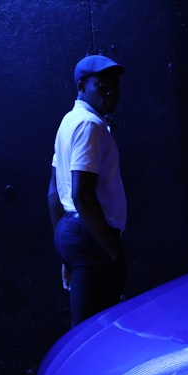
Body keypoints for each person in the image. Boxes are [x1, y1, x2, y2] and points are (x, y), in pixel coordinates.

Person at [48, 54, 129, 327]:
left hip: (73, 231)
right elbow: (82, 195)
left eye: (115, 85)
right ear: (82, 86)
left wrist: (66, 252)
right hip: (90, 233)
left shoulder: (68, 121)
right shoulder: (89, 125)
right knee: (94, 330)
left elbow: (53, 192)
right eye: (101, 85)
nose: (111, 91)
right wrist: (114, 251)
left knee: (87, 327)